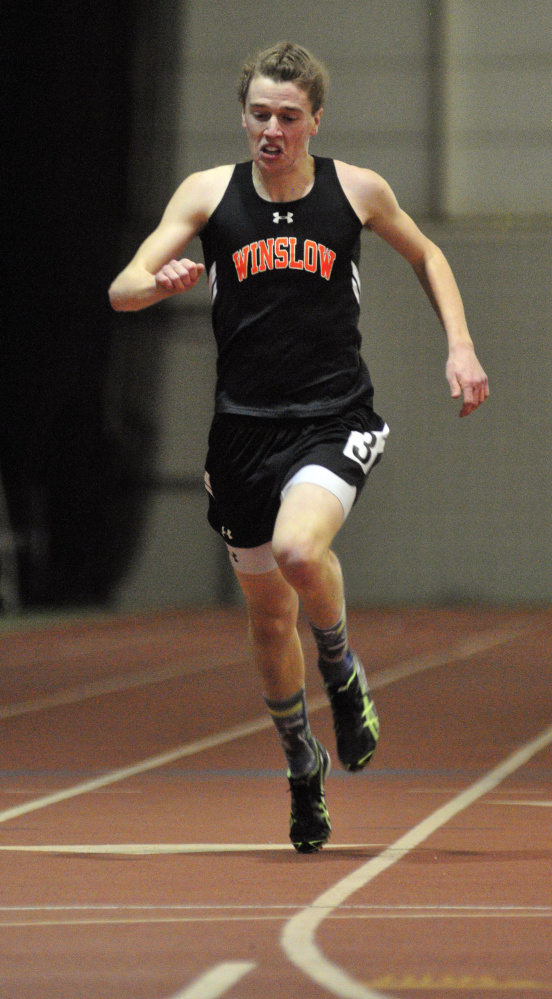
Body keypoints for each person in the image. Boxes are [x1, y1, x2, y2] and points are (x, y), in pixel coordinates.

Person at [109, 41, 489, 853]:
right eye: (258, 115)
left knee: (297, 548)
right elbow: (122, 287)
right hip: (243, 430)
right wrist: (161, 282)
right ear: (242, 117)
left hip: (332, 415)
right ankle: (300, 762)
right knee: (267, 616)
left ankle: (344, 672)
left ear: (316, 118)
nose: (271, 130)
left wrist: (459, 345)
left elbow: (428, 253)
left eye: (287, 116)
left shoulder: (356, 190)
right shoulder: (209, 195)